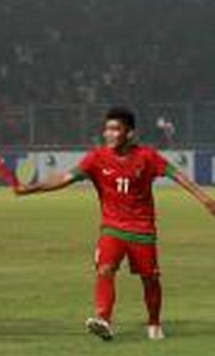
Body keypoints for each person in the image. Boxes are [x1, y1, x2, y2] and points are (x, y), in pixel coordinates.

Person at [16, 107, 215, 341]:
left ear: (129, 133)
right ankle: (104, 320)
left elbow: (177, 175)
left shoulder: (147, 157)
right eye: (107, 129)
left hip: (142, 230)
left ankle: (154, 322)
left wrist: (205, 199)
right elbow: (64, 179)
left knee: (150, 279)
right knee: (105, 270)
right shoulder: (96, 158)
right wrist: (30, 189)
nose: (108, 134)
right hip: (112, 228)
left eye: (115, 129)